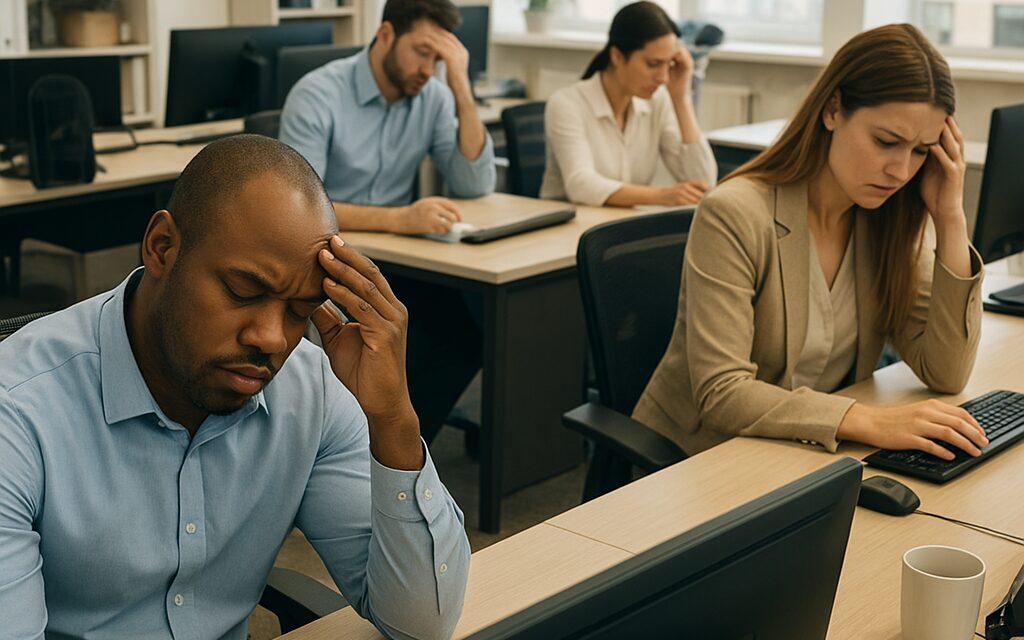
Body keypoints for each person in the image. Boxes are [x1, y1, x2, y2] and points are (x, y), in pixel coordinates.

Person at [0, 135, 470, 640]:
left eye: (299, 311)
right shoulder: (20, 413)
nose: (271, 338)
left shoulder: (312, 391)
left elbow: (421, 623)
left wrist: (393, 418)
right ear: (162, 247)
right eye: (244, 291)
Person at [633, 24, 989, 462]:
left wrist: (950, 216)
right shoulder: (735, 212)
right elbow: (722, 392)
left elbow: (947, 373)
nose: (900, 171)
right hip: (700, 459)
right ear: (833, 110)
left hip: (805, 455)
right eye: (886, 142)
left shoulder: (889, 217)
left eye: (921, 151)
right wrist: (869, 421)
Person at [280, 0, 491, 444]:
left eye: (438, 59)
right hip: (327, 260)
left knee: (471, 333)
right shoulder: (318, 93)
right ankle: (356, 446)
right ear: (386, 35)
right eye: (422, 52)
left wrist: (460, 86)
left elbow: (474, 182)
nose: (427, 69)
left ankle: (395, 447)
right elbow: (298, 208)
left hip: (402, 262)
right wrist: (399, 219)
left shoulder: (432, 96)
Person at [539, 1, 717, 207]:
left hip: (621, 227)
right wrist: (663, 196)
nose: (664, 77)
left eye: (669, 64)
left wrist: (681, 99)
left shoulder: (658, 101)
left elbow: (704, 184)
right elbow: (581, 185)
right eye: (653, 64)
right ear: (617, 56)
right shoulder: (567, 104)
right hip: (567, 228)